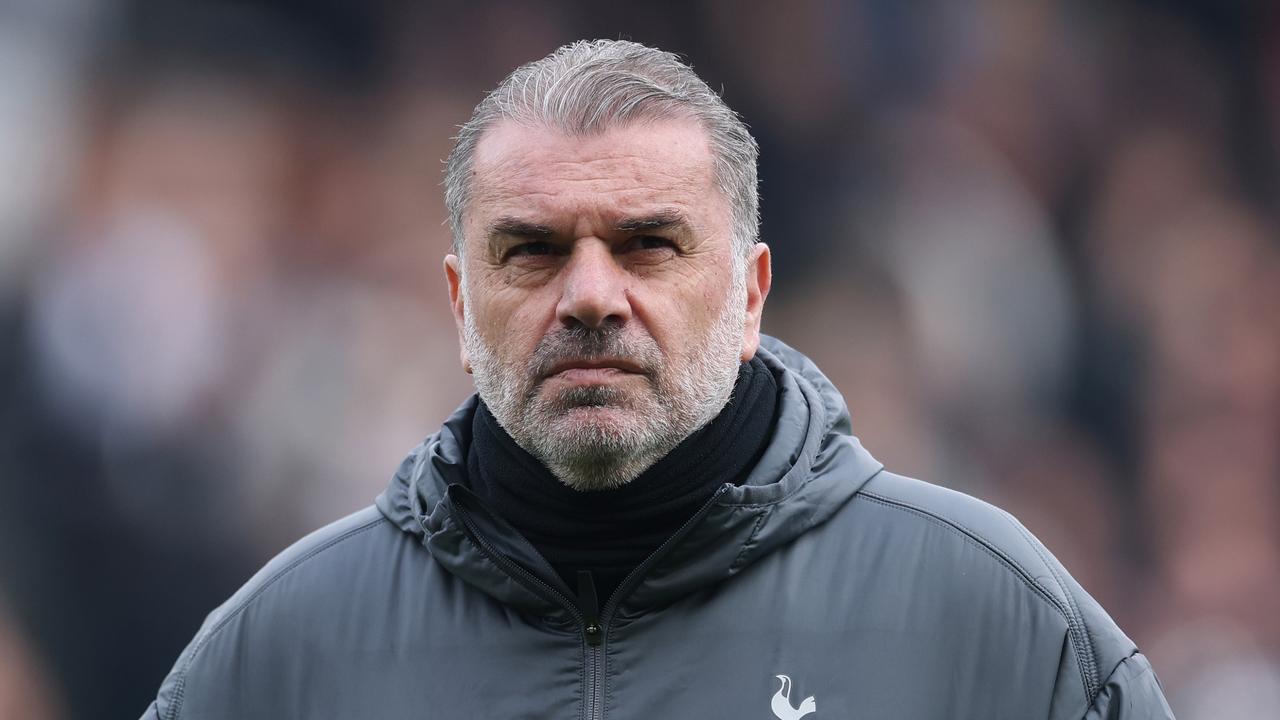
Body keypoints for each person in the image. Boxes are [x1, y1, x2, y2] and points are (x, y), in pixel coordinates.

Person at [142, 40, 1174, 719]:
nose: (590, 295)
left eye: (647, 245)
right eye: (533, 251)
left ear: (749, 294)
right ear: (459, 304)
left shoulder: (987, 616)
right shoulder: (278, 653)